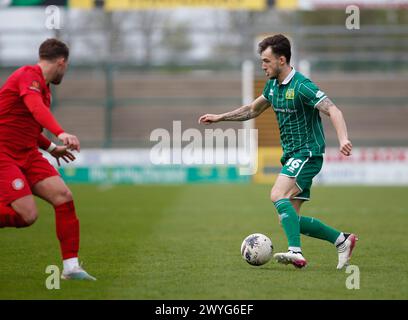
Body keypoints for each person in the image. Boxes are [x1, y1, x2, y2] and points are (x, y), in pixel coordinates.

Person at [198, 34, 357, 269]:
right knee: (290, 219)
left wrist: (343, 138)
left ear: (282, 60)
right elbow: (252, 110)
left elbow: (333, 109)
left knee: (277, 194)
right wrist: (220, 117)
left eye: (266, 61)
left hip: (307, 153)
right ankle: (341, 240)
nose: (263, 66)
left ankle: (296, 252)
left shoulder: (302, 86)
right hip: (293, 155)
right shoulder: (272, 86)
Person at [0, 38, 96, 280]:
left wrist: (51, 147)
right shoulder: (28, 76)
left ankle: (71, 268)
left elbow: (27, 126)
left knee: (63, 197)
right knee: (27, 215)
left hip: (27, 153)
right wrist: (61, 133)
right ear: (62, 62)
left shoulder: (44, 89)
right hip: (3, 153)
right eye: (67, 66)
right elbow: (35, 109)